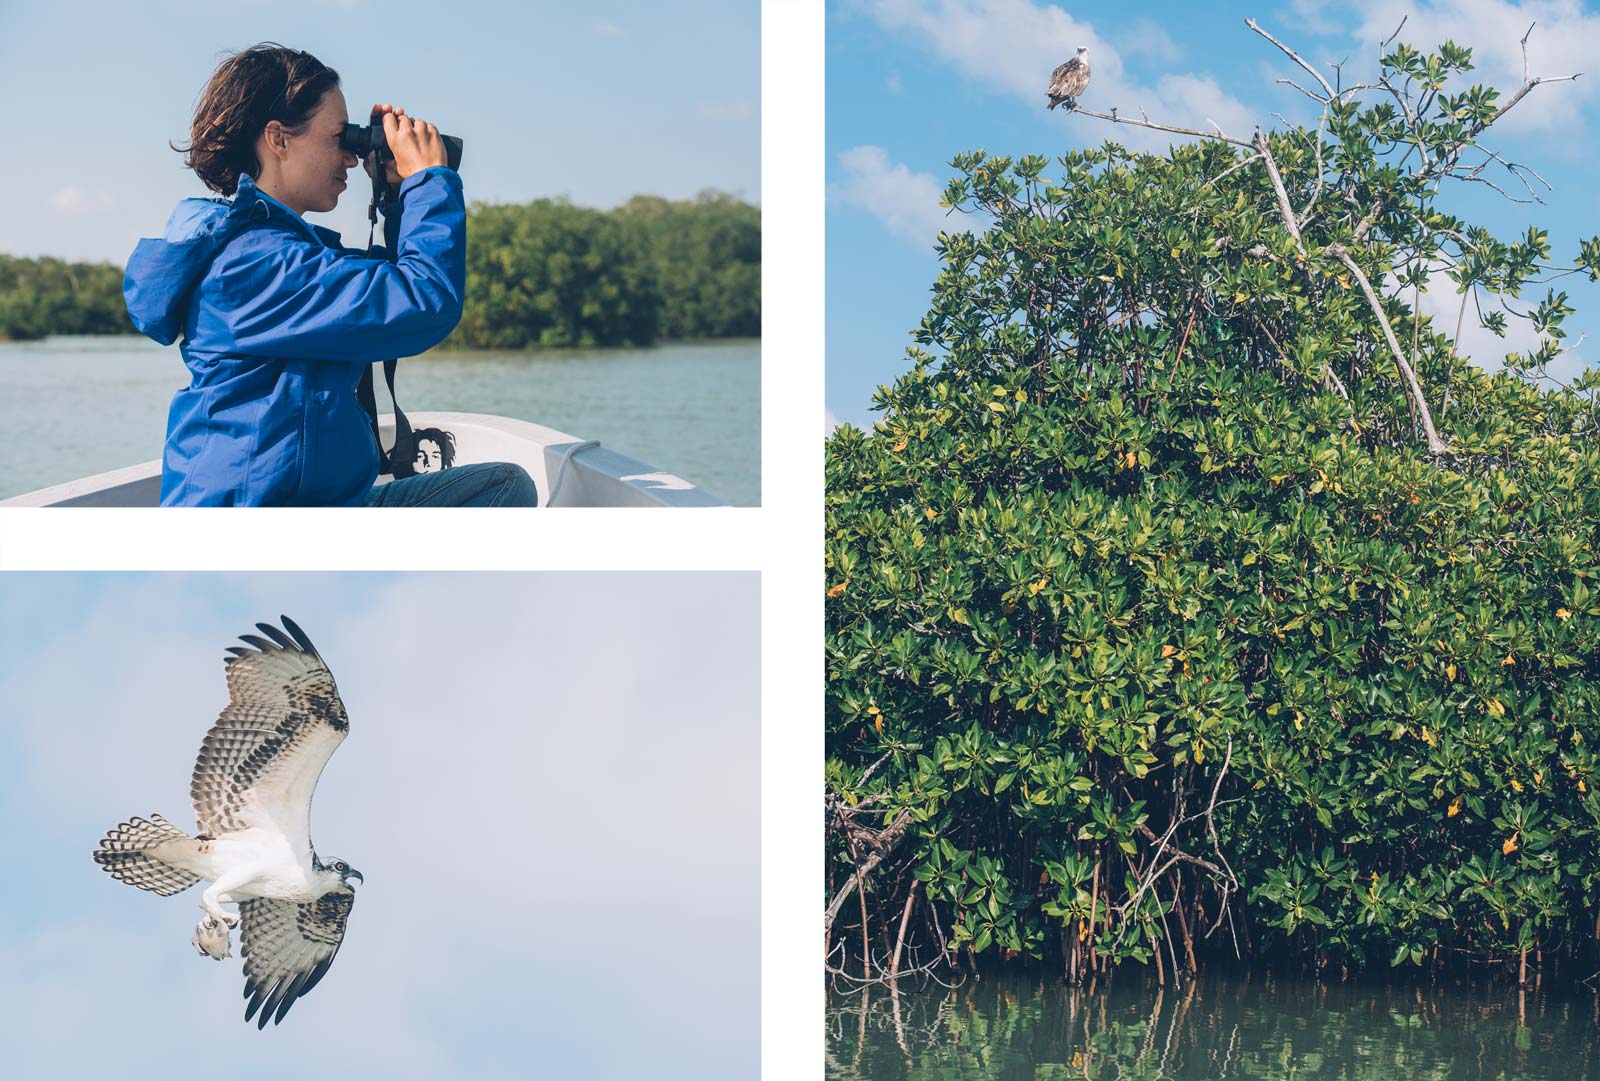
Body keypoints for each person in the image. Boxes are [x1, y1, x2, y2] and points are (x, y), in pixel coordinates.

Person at [123, 44, 538, 507]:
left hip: (300, 507)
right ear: (279, 139)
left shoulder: (274, 252)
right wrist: (430, 178)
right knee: (504, 488)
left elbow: (392, 285)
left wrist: (398, 195)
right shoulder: (254, 266)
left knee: (499, 485)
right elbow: (422, 301)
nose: (348, 158)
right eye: (339, 137)